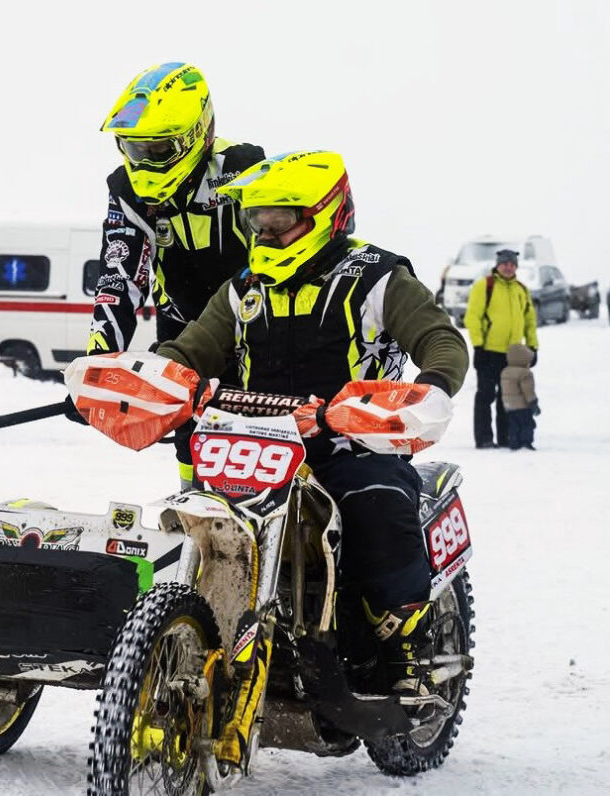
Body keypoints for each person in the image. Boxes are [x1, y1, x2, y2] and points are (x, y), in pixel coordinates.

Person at [96, 151, 469, 697]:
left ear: (326, 215)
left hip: (353, 442)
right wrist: (152, 379)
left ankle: (406, 649)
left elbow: (441, 339)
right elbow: (192, 347)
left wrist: (430, 384)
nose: (266, 233)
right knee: (195, 520)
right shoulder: (244, 287)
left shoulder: (378, 277)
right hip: (254, 445)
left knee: (378, 506)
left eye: (280, 220)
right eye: (257, 220)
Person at [85, 62, 265, 486]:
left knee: (258, 430)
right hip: (181, 326)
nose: (145, 162)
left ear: (198, 134)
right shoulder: (125, 189)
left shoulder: (242, 167)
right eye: (135, 150)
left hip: (251, 322)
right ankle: (191, 503)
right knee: (189, 432)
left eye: (159, 149)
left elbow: (271, 253)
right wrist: (97, 365)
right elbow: (119, 276)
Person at [463, 248, 539, 448]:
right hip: (488, 352)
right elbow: (473, 317)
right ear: (497, 265)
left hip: (513, 355)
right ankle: (484, 438)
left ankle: (506, 437)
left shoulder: (521, 289)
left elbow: (530, 321)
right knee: (485, 395)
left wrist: (533, 346)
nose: (508, 267)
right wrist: (478, 346)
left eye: (512, 264)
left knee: (509, 397)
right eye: (505, 264)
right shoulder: (485, 285)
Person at [500, 344, 539, 450]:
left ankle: (514, 442)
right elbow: (528, 390)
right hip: (522, 405)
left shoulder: (505, 371)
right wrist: (533, 402)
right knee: (527, 424)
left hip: (509, 405)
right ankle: (525, 442)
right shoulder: (525, 373)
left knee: (514, 425)